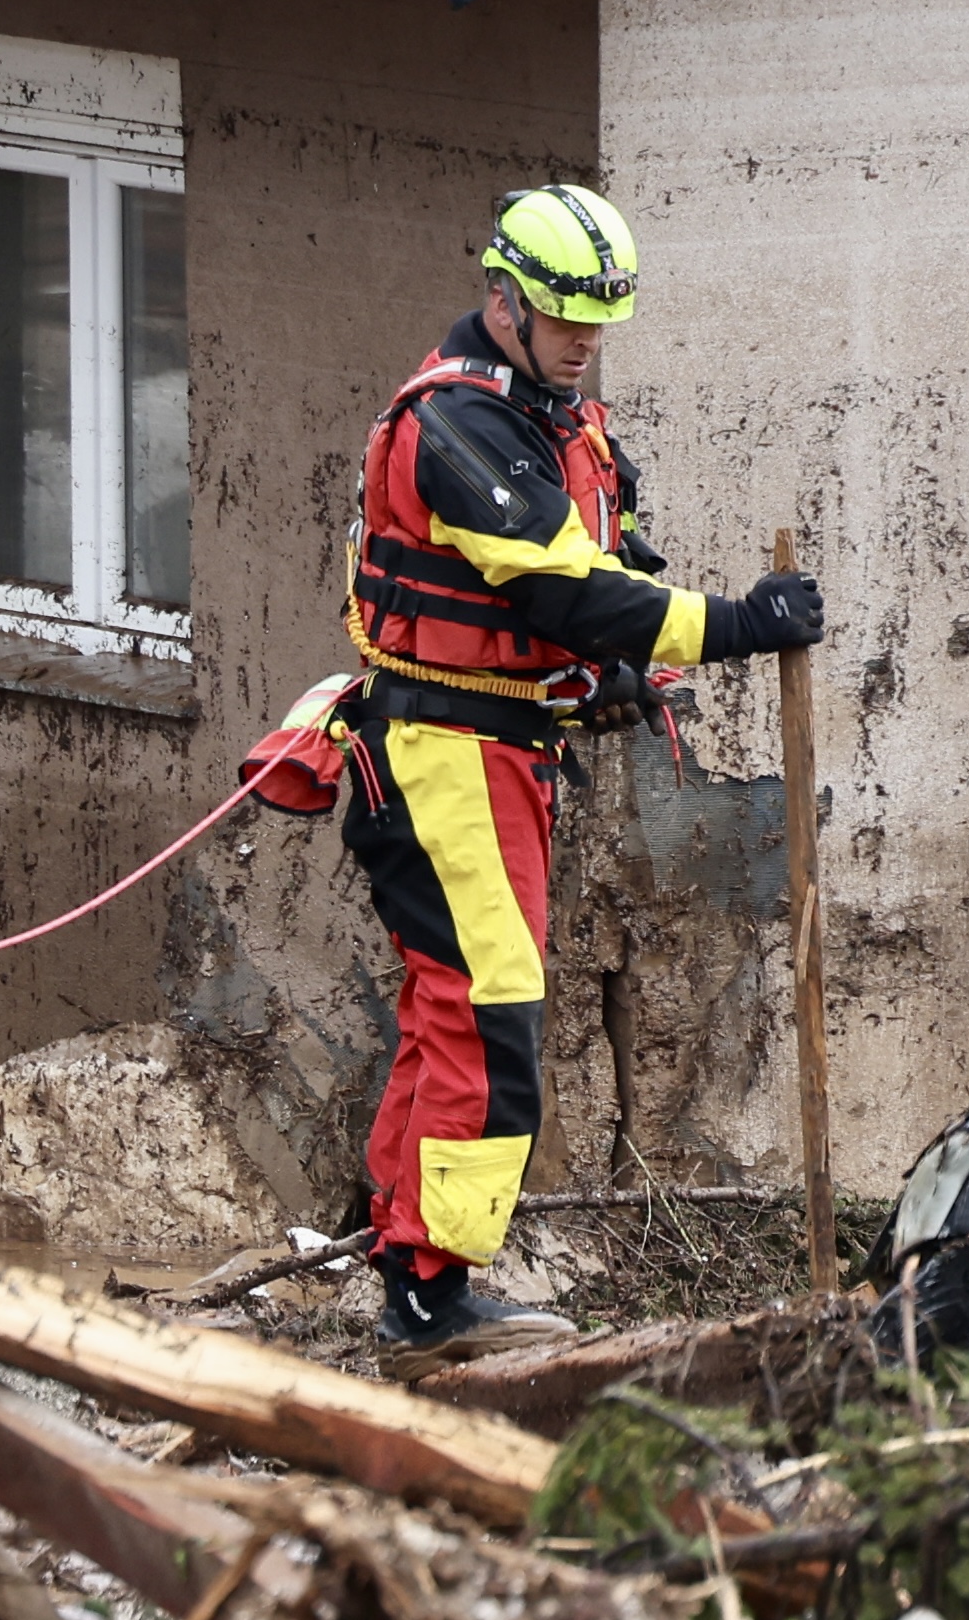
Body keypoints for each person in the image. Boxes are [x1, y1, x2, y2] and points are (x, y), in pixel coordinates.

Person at [337, 185, 824, 1347]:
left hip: (499, 749)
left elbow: (597, 572)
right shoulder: (453, 427)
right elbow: (568, 591)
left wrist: (606, 672)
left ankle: (409, 1259)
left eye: (601, 322)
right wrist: (735, 624)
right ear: (502, 299)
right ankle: (433, 1291)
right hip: (441, 753)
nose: (584, 342)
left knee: (449, 1005)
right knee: (489, 1011)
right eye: (565, 319)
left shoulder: (555, 417)